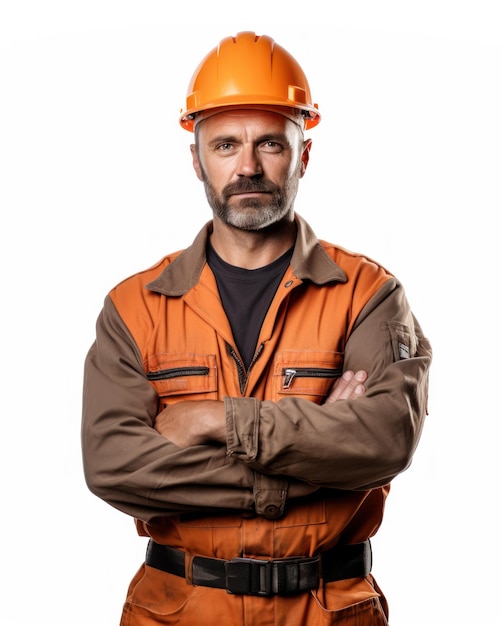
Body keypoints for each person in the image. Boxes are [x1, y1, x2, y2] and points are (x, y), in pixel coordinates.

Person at [82, 31, 432, 626]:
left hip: (325, 612)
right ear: (196, 159)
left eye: (270, 142)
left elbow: (383, 442)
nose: (247, 167)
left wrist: (213, 420)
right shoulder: (135, 307)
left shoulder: (368, 295)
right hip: (178, 612)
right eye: (225, 145)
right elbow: (113, 465)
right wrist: (310, 460)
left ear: (304, 155)